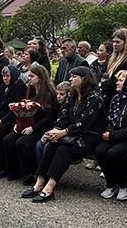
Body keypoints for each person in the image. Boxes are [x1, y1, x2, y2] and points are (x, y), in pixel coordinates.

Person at [24, 67, 104, 202]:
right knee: (51, 145)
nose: (70, 79)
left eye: (74, 77)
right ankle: (39, 182)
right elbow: (63, 116)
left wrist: (62, 132)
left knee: (63, 150)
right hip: (70, 132)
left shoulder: (95, 97)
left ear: (84, 79)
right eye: (70, 76)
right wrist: (54, 131)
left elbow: (84, 124)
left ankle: (49, 189)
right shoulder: (72, 94)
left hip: (89, 135)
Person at [1, 63, 59, 182]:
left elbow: (49, 117)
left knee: (22, 142)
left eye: (32, 76)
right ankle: (14, 169)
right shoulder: (30, 90)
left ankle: (34, 173)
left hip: (42, 127)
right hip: (28, 124)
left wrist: (33, 128)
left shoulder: (48, 93)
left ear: (40, 77)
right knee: (8, 139)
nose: (29, 78)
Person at [94, 70, 127, 202]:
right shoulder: (116, 98)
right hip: (113, 135)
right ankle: (111, 183)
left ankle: (123, 183)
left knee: (114, 153)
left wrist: (112, 135)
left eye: (121, 80)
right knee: (99, 150)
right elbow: (109, 119)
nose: (117, 83)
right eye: (117, 80)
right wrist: (107, 132)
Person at [0, 63, 27, 176]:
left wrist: (1, 121)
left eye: (8, 76)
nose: (5, 78)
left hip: (11, 119)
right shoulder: (2, 87)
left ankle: (2, 167)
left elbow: (16, 110)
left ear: (13, 75)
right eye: (3, 76)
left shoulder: (20, 87)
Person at [100, 28, 127, 99]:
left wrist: (104, 83)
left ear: (125, 42)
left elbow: (125, 80)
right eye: (113, 42)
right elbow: (102, 72)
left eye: (118, 42)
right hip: (107, 95)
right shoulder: (110, 57)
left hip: (121, 96)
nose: (114, 44)